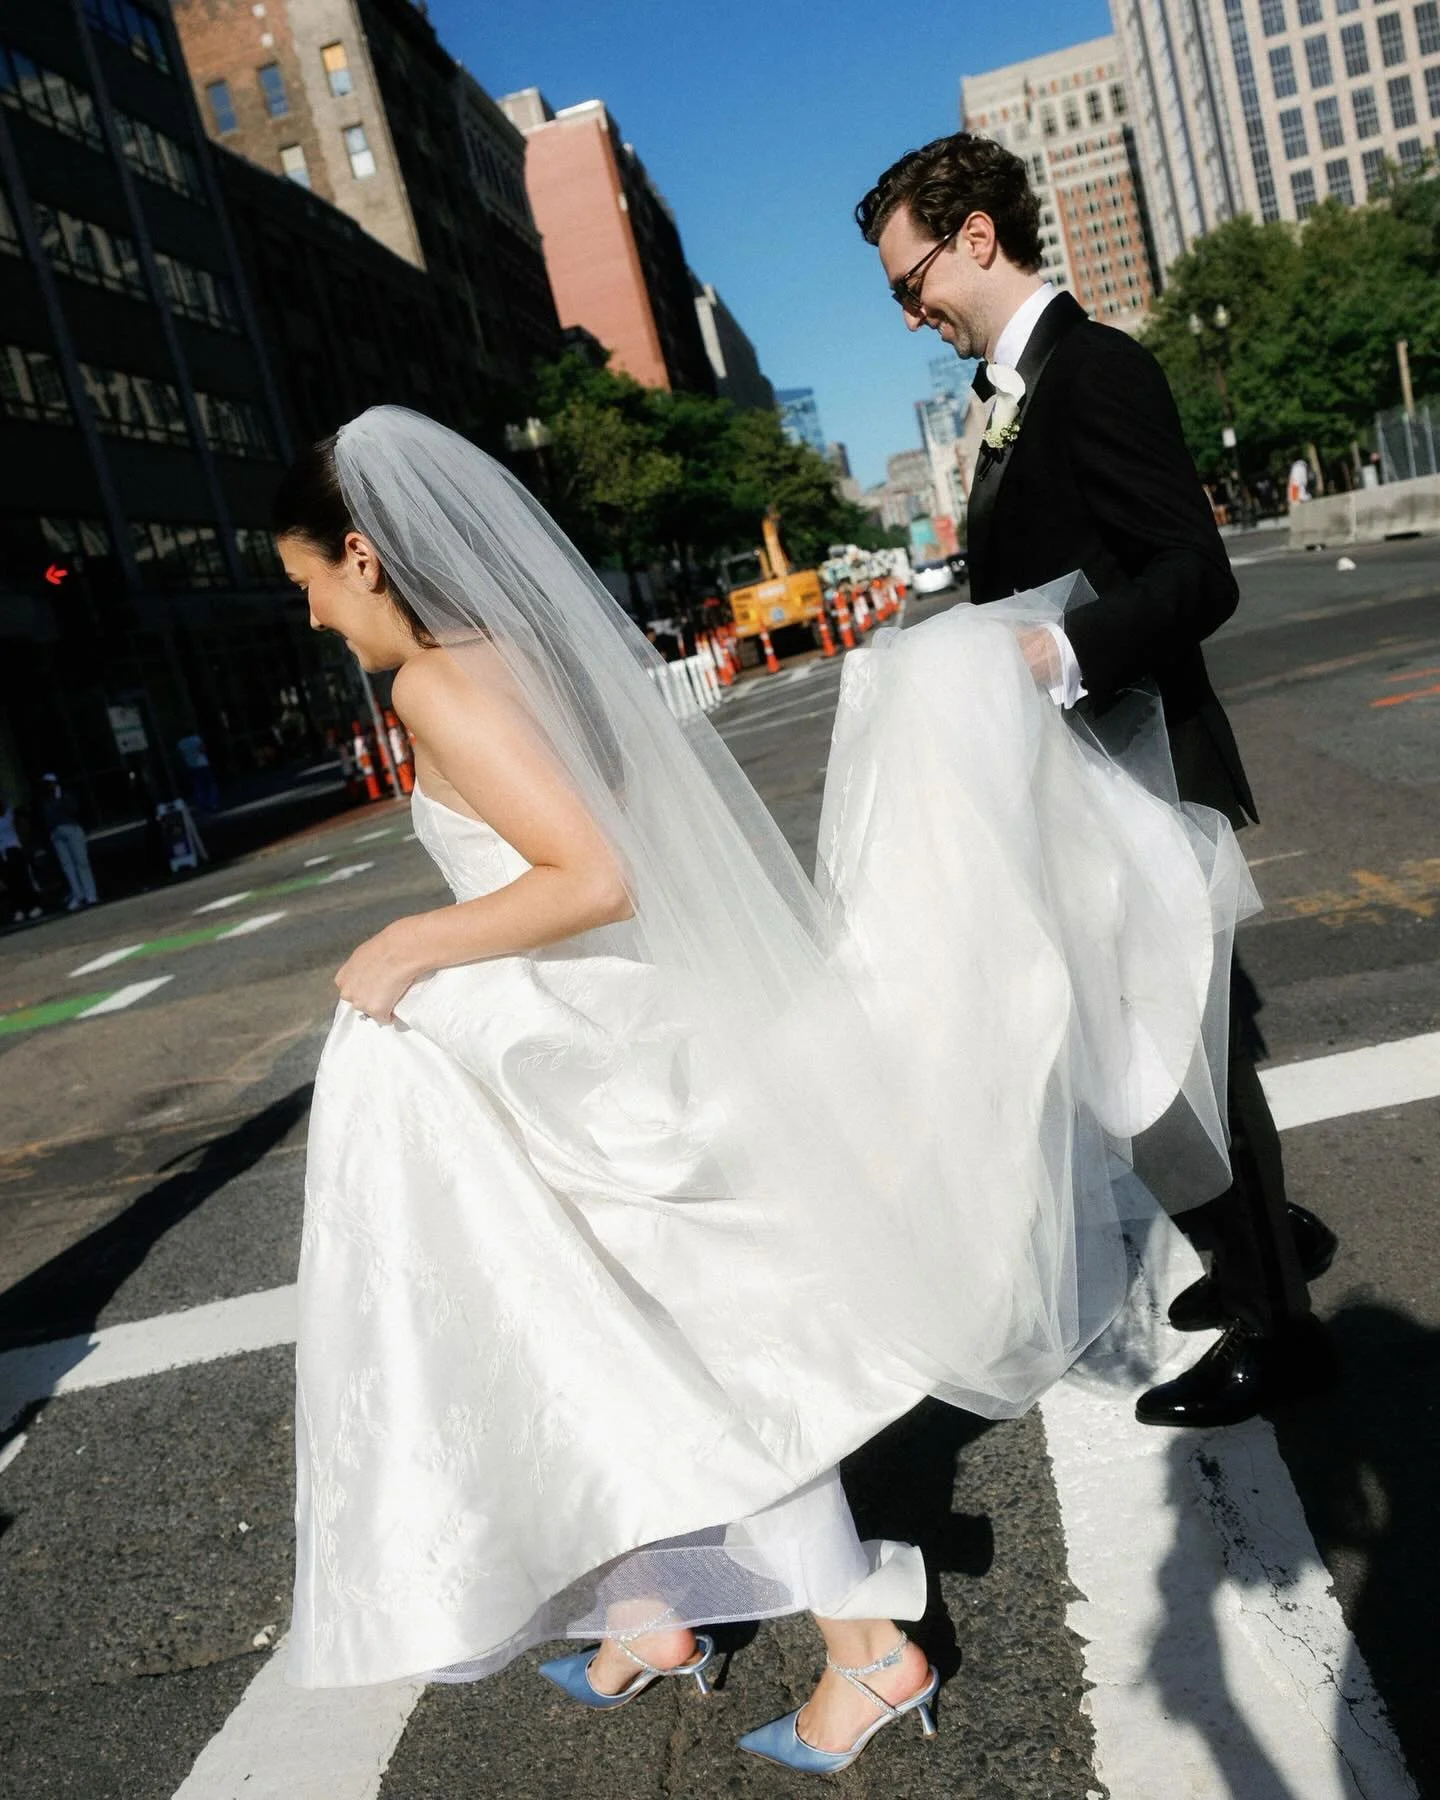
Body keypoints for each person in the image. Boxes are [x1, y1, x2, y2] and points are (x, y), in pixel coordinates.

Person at [274, 407, 1253, 1775]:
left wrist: (406, 945)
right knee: (621, 1340)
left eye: (309, 584)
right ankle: (648, 1611)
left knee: (693, 1361)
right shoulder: (520, 652)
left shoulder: (435, 686)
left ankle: (864, 1646)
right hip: (619, 1022)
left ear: (365, 557)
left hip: (578, 1045)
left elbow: (586, 877)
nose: (315, 618)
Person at [856, 131, 1337, 1430]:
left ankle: (1280, 1326)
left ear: (975, 239)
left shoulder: (1095, 372)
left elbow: (1197, 573)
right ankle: (1254, 1252)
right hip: (1084, 785)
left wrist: (1057, 645)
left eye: (913, 285)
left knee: (1199, 1062)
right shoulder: (1009, 395)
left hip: (1146, 772)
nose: (912, 315)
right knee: (1143, 1051)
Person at [38, 773, 97, 909]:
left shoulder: (64, 795)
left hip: (71, 828)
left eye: (48, 784)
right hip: (56, 832)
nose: (46, 787)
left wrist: (60, 799)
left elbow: (73, 810)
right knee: (67, 866)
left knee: (81, 862)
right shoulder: (45, 800)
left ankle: (90, 894)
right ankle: (78, 895)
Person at [0, 798, 42, 922]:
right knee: (11, 882)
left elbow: (21, 825)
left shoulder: (9, 813)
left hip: (14, 848)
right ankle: (19, 908)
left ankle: (33, 905)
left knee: (22, 878)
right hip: (2, 852)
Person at [175, 731, 220, 813]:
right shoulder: (196, 739)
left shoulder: (180, 743)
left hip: (191, 765)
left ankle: (203, 804)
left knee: (198, 786)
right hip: (202, 763)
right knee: (211, 784)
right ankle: (212, 803)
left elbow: (181, 755)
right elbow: (202, 749)